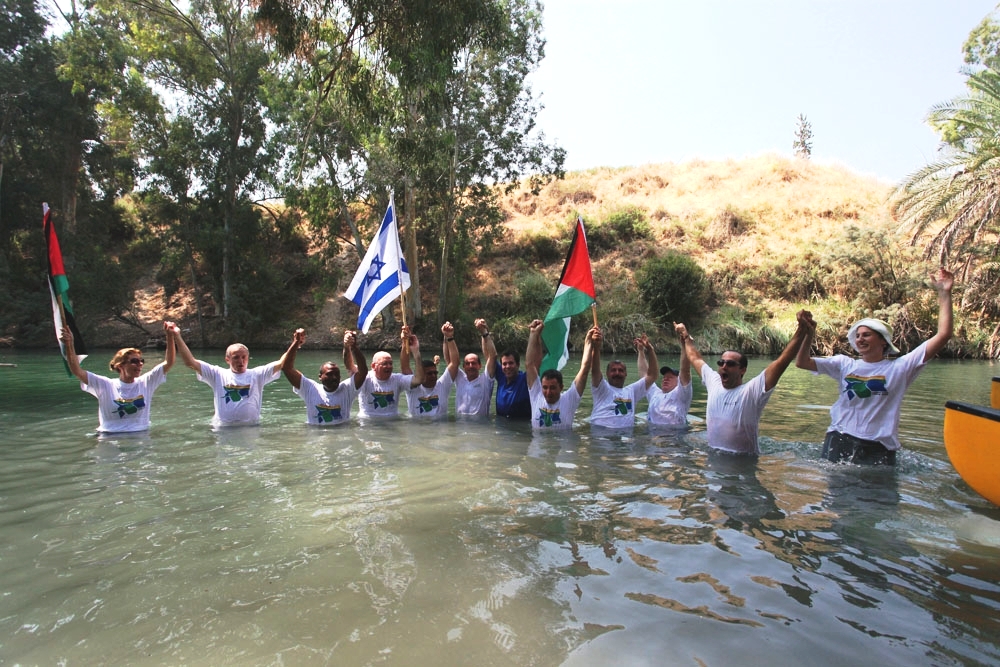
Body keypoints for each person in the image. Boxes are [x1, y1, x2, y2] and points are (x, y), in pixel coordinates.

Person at [796, 268, 955, 465]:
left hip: (879, 446)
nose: (860, 339)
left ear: (882, 341)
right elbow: (802, 362)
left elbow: (943, 335)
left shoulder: (901, 368)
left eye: (867, 335)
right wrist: (808, 334)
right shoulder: (844, 364)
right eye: (858, 336)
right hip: (840, 437)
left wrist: (944, 293)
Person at [677, 314, 810, 455]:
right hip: (713, 459)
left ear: (742, 370)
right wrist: (685, 337)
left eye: (730, 364)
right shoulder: (714, 383)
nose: (724, 366)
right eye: (721, 363)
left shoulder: (750, 392)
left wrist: (801, 331)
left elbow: (781, 362)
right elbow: (695, 358)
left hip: (743, 462)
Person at [60, 321, 176, 433]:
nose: (140, 364)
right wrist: (70, 344)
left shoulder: (146, 382)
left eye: (141, 361)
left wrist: (169, 336)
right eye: (134, 361)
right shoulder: (105, 385)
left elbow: (169, 362)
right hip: (109, 436)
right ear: (120, 366)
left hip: (140, 435)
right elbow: (77, 371)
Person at [172, 327, 282, 427]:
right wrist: (177, 336)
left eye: (244, 357)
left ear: (248, 358)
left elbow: (282, 363)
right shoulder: (217, 374)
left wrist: (293, 342)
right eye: (236, 357)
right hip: (223, 428)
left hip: (250, 428)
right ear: (227, 359)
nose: (241, 361)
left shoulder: (257, 375)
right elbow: (190, 362)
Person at [280, 328, 366, 426]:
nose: (334, 378)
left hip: (341, 434)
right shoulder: (310, 389)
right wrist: (296, 343)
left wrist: (354, 347)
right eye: (329, 374)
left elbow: (363, 372)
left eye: (336, 374)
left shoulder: (347, 389)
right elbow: (287, 368)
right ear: (320, 377)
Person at [525, 319, 597, 430]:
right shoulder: (536, 395)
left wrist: (588, 341)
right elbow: (529, 364)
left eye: (553, 388)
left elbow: (584, 370)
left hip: (563, 442)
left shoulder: (569, 400)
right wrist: (533, 334)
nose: (548, 392)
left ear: (561, 387)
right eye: (545, 387)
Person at [589, 329, 658, 428]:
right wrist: (596, 347)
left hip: (625, 435)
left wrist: (650, 350)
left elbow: (652, 375)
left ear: (626, 374)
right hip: (602, 434)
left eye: (621, 370)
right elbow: (595, 369)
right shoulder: (601, 388)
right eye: (613, 370)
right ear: (607, 373)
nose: (617, 373)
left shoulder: (632, 391)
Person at [357, 325, 425, 419]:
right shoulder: (364, 379)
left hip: (392, 423)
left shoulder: (397, 379)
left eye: (390, 363)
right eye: (385, 364)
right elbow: (350, 368)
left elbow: (419, 379)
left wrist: (415, 352)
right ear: (373, 366)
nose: (389, 366)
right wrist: (349, 348)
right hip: (368, 423)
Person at [402, 322, 459, 419]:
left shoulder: (442, 385)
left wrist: (449, 337)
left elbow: (454, 363)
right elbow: (405, 367)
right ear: (421, 374)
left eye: (435, 373)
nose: (433, 376)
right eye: (429, 373)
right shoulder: (413, 387)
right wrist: (405, 342)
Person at [443, 318, 496, 418]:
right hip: (460, 425)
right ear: (463, 366)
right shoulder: (460, 379)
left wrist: (484, 333)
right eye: (467, 363)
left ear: (480, 366)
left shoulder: (486, 380)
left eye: (473, 363)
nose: (470, 366)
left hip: (480, 425)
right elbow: (448, 359)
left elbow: (492, 356)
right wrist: (447, 336)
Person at [478, 318, 531, 419]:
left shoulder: (525, 379)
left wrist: (534, 335)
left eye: (511, 363)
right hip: (500, 425)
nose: (507, 367)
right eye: (504, 364)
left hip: (521, 426)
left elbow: (532, 363)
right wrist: (483, 332)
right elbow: (489, 357)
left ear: (518, 364)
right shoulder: (501, 377)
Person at [640, 329, 693, 427]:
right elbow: (644, 375)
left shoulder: (682, 394)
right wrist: (641, 351)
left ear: (679, 381)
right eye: (664, 377)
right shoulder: (655, 393)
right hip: (653, 434)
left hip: (674, 434)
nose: (665, 379)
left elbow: (685, 371)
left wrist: (684, 345)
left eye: (670, 377)